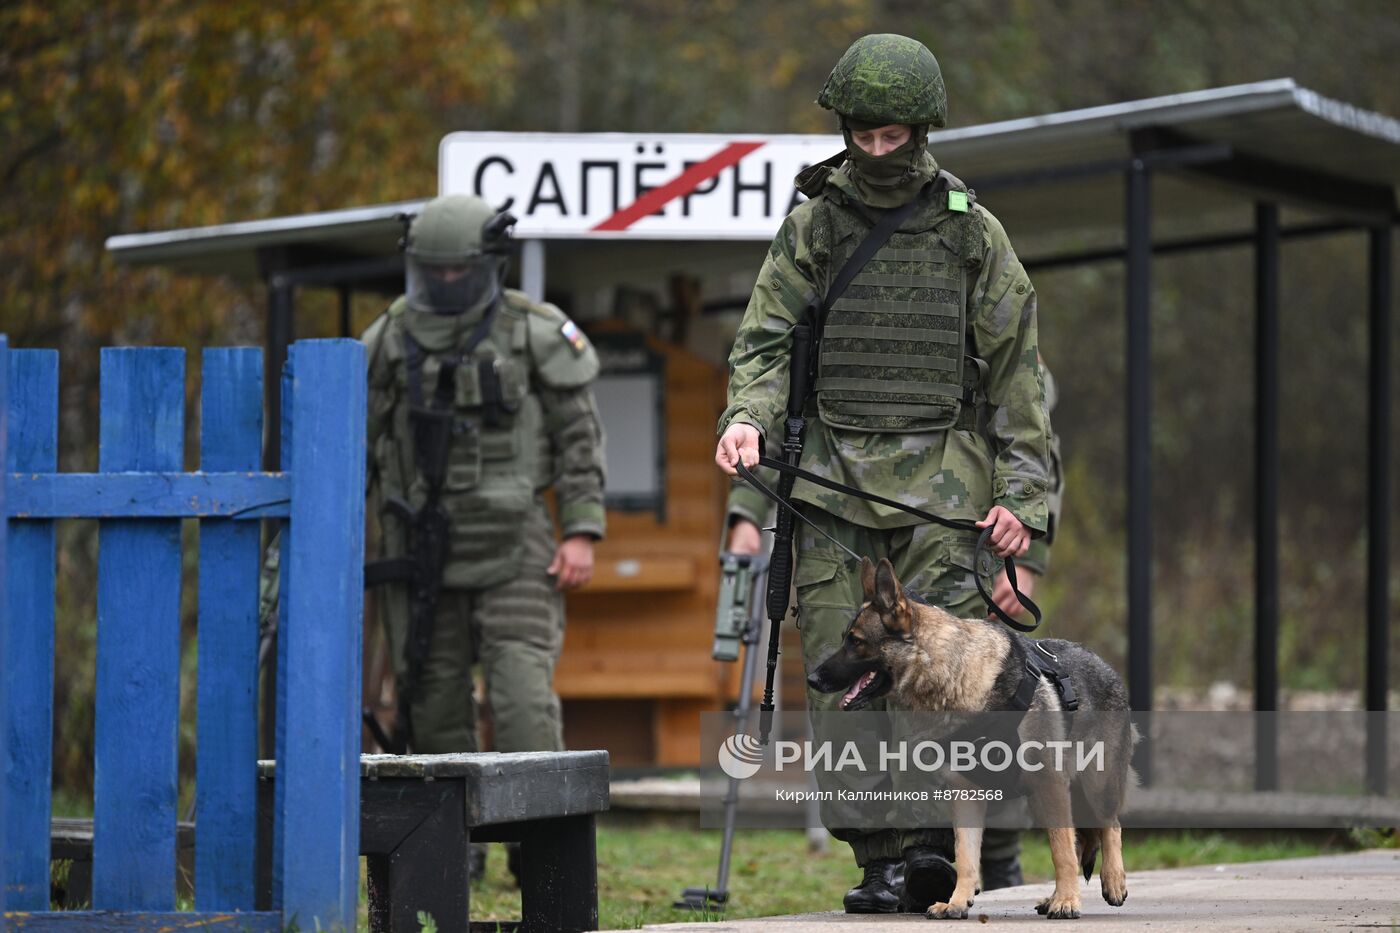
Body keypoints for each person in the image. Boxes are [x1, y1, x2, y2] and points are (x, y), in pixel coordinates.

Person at [715, 34, 1053, 913]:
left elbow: (1019, 371)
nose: (875, 152)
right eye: (861, 135)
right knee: (845, 683)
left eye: (892, 136)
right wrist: (746, 420)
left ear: (924, 130)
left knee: (937, 685)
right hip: (831, 487)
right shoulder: (813, 226)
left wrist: (1025, 499)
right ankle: (881, 859)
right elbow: (761, 339)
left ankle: (944, 851)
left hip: (940, 490)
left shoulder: (971, 232)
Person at [262, 192, 607, 879]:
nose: (446, 284)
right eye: (434, 272)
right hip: (418, 553)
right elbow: (347, 441)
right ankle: (454, 853)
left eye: (459, 272)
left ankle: (541, 852)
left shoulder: (534, 331)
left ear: (487, 265)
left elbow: (578, 440)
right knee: (434, 702)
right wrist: (329, 537)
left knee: (521, 700)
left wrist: (583, 532)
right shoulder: (388, 338)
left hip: (517, 549)